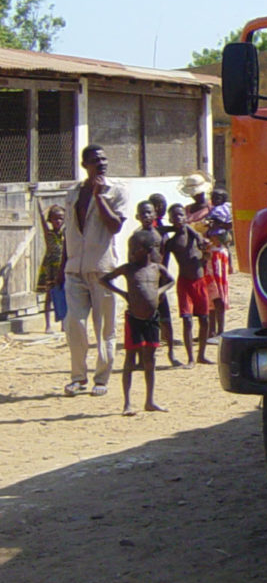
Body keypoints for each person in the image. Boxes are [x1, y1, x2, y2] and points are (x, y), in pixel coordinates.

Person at [62, 144, 129, 397]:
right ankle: (78, 378)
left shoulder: (116, 191)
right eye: (95, 160)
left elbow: (114, 227)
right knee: (74, 324)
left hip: (102, 270)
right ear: (84, 165)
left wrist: (101, 197)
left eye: (104, 159)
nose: (101, 163)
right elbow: (68, 231)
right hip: (74, 269)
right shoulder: (74, 193)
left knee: (105, 328)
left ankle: (101, 378)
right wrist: (62, 268)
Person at [101, 226, 174, 416]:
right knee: (130, 360)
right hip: (133, 319)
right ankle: (127, 403)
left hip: (152, 319)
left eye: (136, 249)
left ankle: (149, 400)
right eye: (131, 249)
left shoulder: (156, 269)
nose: (132, 253)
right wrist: (123, 294)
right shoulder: (128, 269)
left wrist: (159, 291)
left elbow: (171, 280)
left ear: (148, 250)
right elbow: (104, 280)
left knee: (150, 360)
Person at [164, 203, 215, 366]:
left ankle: (201, 354)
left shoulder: (194, 234)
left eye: (180, 215)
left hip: (200, 281)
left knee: (204, 319)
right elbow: (164, 264)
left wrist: (205, 252)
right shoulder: (171, 242)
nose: (178, 218)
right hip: (184, 282)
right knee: (187, 320)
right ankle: (191, 357)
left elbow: (206, 250)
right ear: (170, 219)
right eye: (175, 216)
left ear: (185, 217)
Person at [148, 192, 179, 364]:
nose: (161, 208)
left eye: (162, 205)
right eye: (157, 205)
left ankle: (170, 351)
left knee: (164, 315)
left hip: (161, 277)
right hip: (151, 278)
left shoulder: (160, 224)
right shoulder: (151, 228)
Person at [36, 204, 66, 332]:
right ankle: (48, 324)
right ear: (50, 220)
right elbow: (42, 217)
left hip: (62, 267)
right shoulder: (48, 234)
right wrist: (46, 207)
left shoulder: (65, 234)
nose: (58, 221)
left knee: (64, 296)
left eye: (60, 218)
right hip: (50, 268)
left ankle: (64, 324)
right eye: (54, 219)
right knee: (49, 296)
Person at [206, 225, 233, 339]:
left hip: (219, 281)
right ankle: (211, 331)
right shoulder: (210, 249)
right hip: (211, 280)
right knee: (211, 305)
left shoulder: (222, 251)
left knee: (218, 303)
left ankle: (220, 331)